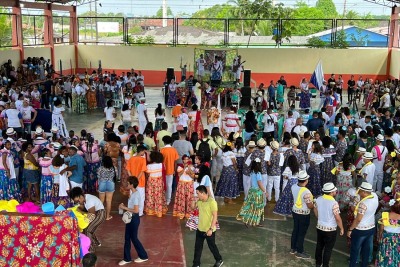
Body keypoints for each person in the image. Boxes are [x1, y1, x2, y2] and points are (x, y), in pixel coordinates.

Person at [118, 176, 149, 266]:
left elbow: (136, 210)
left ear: (132, 185)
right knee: (128, 238)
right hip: (132, 218)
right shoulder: (134, 193)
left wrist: (124, 207)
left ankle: (143, 256)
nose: (126, 185)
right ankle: (127, 258)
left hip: (134, 218)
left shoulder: (135, 195)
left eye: (128, 183)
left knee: (133, 238)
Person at [348, 182, 379, 267]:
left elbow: (358, 219)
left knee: (355, 250)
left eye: (360, 191)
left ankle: (352, 265)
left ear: (365, 192)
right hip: (371, 227)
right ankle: (364, 264)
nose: (359, 192)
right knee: (366, 250)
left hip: (360, 229)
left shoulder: (363, 203)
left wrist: (350, 229)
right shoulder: (375, 196)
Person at [314, 183, 344, 267]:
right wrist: (341, 228)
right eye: (334, 190)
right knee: (328, 249)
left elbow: (315, 209)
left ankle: (318, 263)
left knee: (319, 246)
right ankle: (325, 265)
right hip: (330, 230)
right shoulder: (334, 203)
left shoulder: (318, 199)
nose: (335, 191)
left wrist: (319, 218)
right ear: (331, 192)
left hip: (320, 227)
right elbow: (337, 218)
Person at [192, 185, 223, 267]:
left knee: (212, 246)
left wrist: (211, 229)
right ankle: (196, 264)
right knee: (198, 247)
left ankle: (219, 259)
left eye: (198, 193)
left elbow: (215, 216)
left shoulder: (212, 202)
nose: (197, 195)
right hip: (200, 228)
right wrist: (194, 200)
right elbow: (193, 208)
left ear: (202, 193)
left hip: (209, 230)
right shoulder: (199, 201)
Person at [70, 187, 106, 253]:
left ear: (80, 196)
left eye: (78, 201)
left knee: (88, 230)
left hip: (100, 214)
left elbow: (92, 215)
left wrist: (81, 213)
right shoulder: (85, 198)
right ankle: (96, 242)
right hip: (97, 213)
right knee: (88, 228)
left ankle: (90, 250)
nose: (79, 203)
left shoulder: (89, 201)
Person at [291, 170, 314, 259]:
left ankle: (293, 248)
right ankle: (300, 251)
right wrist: (314, 204)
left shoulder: (293, 186)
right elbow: (309, 205)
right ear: (306, 180)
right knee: (301, 232)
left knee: (295, 230)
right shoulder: (306, 192)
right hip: (303, 214)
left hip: (295, 211)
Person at [236, 158, 266, 227]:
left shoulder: (252, 172)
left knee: (249, 206)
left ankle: (246, 220)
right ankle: (255, 222)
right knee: (257, 208)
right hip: (257, 192)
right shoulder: (258, 173)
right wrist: (264, 191)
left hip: (251, 191)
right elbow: (259, 183)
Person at [376, 197, 400, 267]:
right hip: (397, 238)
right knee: (395, 253)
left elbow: (381, 227)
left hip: (385, 237)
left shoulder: (386, 215)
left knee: (384, 252)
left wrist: (380, 235)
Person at [125, 145, 147, 216]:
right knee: (141, 197)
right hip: (140, 181)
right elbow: (142, 171)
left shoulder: (131, 159)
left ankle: (131, 212)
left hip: (132, 183)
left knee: (132, 197)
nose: (144, 152)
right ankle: (140, 213)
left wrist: (132, 179)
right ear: (141, 151)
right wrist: (136, 179)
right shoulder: (143, 159)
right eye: (144, 151)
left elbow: (128, 169)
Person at [144, 151, 167, 217]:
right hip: (159, 182)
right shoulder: (162, 165)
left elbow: (147, 174)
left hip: (151, 182)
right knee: (159, 196)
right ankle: (159, 211)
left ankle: (151, 210)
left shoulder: (149, 166)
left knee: (151, 196)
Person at [173, 154, 195, 219]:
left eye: (187, 159)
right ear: (182, 160)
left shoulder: (192, 167)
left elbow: (193, 176)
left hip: (189, 184)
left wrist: (189, 168)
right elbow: (179, 175)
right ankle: (181, 212)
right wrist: (184, 168)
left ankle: (188, 213)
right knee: (181, 198)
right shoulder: (180, 167)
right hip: (182, 184)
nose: (186, 160)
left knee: (189, 198)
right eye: (185, 159)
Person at [160, 136, 179, 205]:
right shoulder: (174, 150)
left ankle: (163, 198)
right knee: (169, 185)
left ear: (164, 142)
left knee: (162, 185)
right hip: (171, 170)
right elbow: (175, 161)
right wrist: (174, 170)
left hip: (163, 171)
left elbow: (160, 161)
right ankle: (168, 200)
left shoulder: (162, 150)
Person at [97, 156, 116, 221]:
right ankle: (107, 216)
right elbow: (115, 176)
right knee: (109, 201)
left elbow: (98, 176)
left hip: (102, 183)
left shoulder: (100, 168)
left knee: (101, 201)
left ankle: (100, 216)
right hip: (110, 184)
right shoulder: (113, 168)